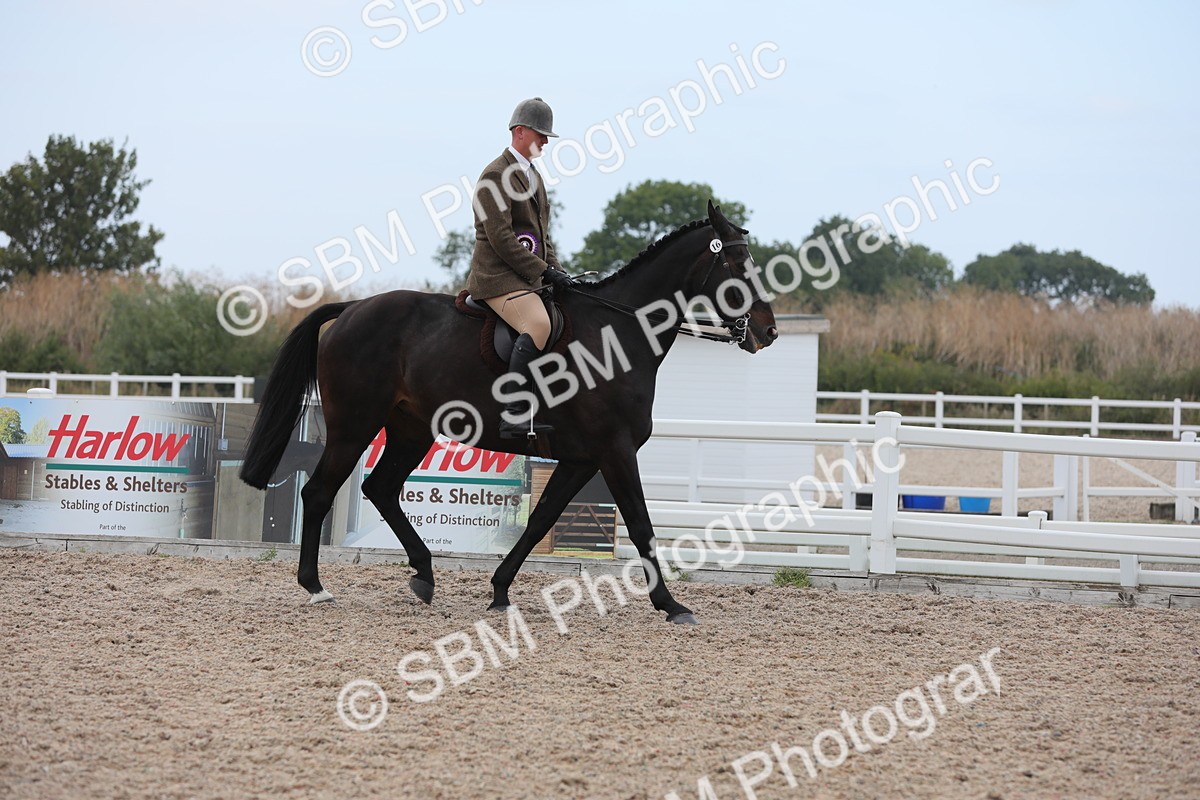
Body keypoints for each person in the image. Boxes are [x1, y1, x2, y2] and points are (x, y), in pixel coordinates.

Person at [465, 97, 576, 439]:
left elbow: (541, 237)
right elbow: (500, 238)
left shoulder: (534, 177)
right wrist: (542, 270)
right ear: (520, 131)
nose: (545, 142)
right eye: (541, 135)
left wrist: (558, 271)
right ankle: (513, 413)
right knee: (539, 324)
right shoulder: (495, 175)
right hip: (496, 277)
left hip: (525, 277)